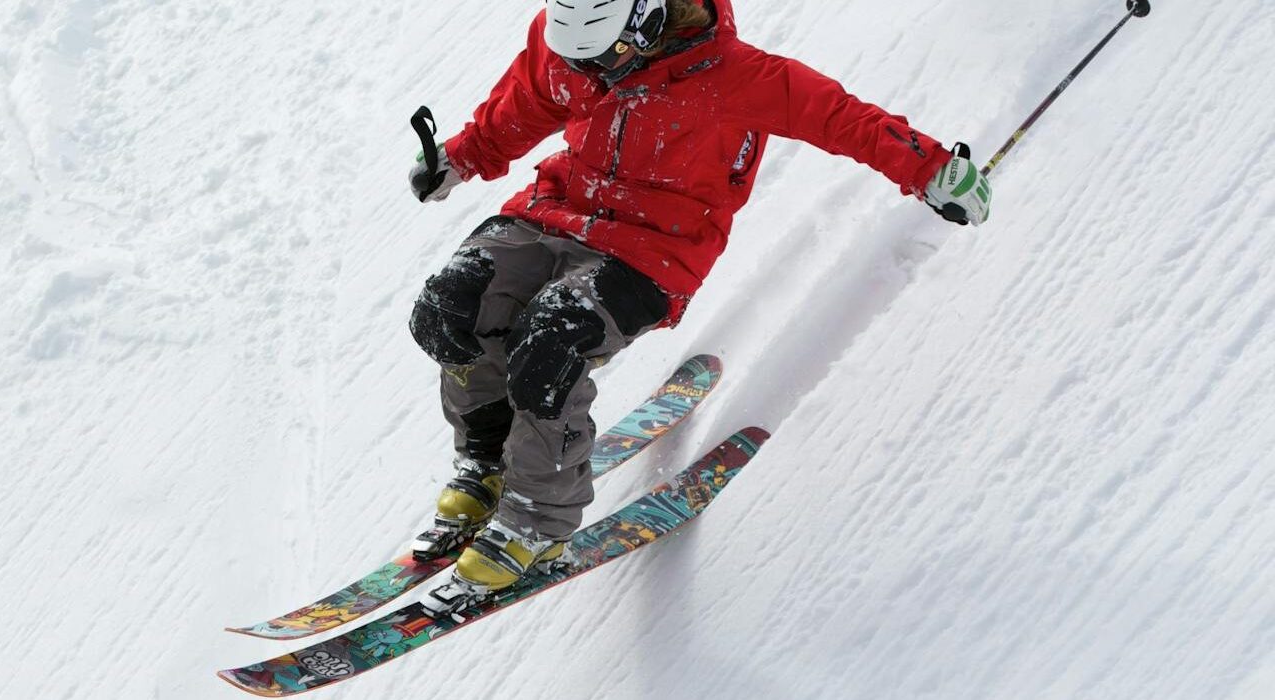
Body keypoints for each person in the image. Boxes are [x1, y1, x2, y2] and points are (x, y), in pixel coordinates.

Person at [406, 0, 991, 604]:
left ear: (648, 24)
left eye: (607, 57)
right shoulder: (572, 43)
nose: (595, 72)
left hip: (650, 252)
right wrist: (462, 156)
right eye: (579, 59)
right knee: (451, 308)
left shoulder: (737, 76)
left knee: (548, 344)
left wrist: (932, 169)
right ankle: (488, 460)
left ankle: (536, 520)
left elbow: (844, 119)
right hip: (556, 211)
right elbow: (529, 100)